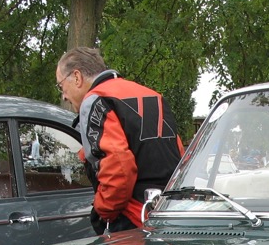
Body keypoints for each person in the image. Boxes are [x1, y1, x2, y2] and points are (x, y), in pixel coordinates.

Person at [56, 47, 184, 233]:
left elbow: (118, 171)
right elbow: (180, 156)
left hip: (132, 221)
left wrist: (102, 211)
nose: (64, 96)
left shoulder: (96, 101)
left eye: (61, 86)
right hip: (170, 216)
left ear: (77, 77)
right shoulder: (153, 95)